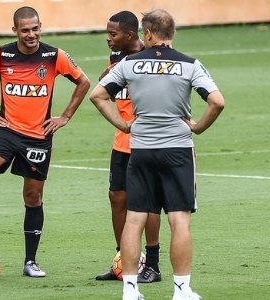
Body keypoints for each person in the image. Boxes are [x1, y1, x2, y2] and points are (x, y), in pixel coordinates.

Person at [89, 8, 225, 300]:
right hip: (177, 150)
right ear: (172, 34)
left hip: (140, 150)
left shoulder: (130, 64)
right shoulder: (190, 65)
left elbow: (97, 95)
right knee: (179, 221)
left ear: (147, 33)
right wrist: (197, 127)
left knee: (134, 219)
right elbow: (217, 101)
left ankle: (129, 290)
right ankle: (181, 291)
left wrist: (124, 125)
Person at [0, 6, 90, 277]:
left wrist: (65, 116)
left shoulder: (55, 56)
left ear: (40, 27)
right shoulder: (2, 53)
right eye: (25, 30)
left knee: (33, 197)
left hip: (39, 136)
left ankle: (30, 262)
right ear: (15, 31)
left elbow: (83, 82)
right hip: (7, 129)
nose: (31, 34)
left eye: (35, 29)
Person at [94, 11, 162, 284]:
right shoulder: (116, 58)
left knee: (150, 204)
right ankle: (123, 260)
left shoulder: (152, 57)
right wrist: (109, 73)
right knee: (116, 197)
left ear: (130, 35)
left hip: (147, 142)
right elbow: (105, 91)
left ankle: (153, 265)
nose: (108, 39)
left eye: (113, 34)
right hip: (121, 142)